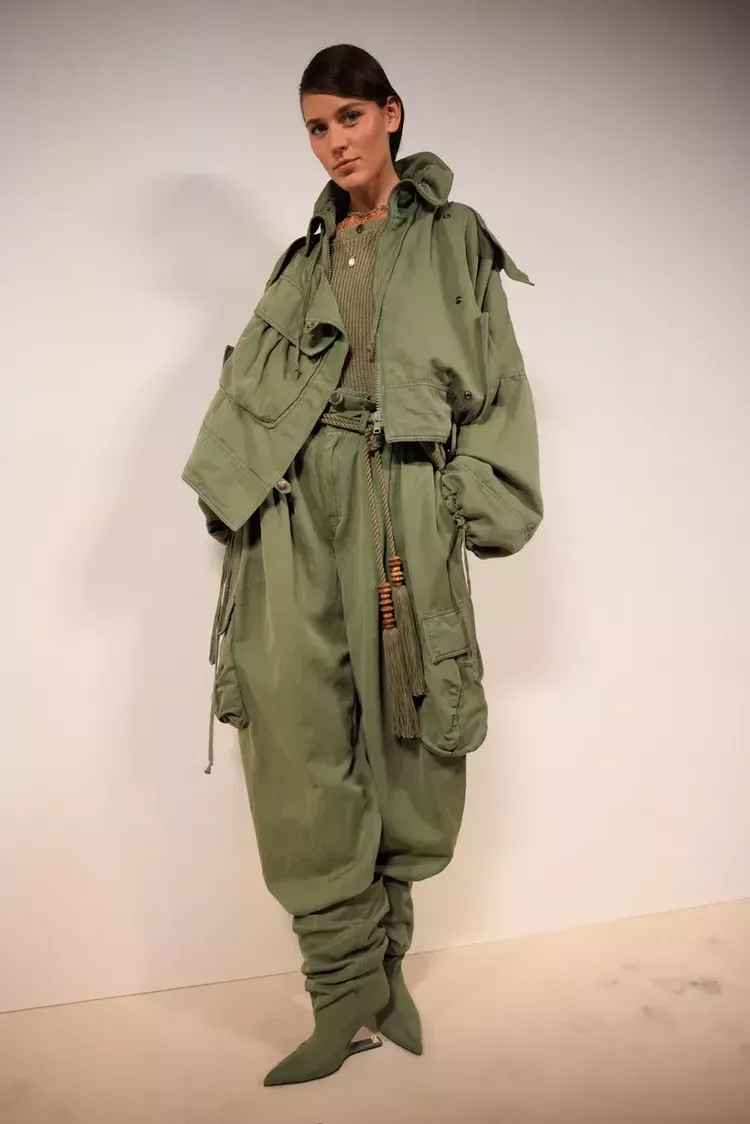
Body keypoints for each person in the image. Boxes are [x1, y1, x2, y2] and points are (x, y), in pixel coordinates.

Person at [182, 43, 543, 1087]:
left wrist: (458, 502)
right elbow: (252, 383)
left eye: (347, 117)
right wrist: (238, 492)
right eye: (314, 127)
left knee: (413, 725)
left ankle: (385, 971)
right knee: (299, 733)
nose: (333, 142)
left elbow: (499, 385)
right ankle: (340, 988)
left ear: (390, 113)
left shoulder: (455, 239)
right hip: (296, 503)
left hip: (404, 495)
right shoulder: (299, 261)